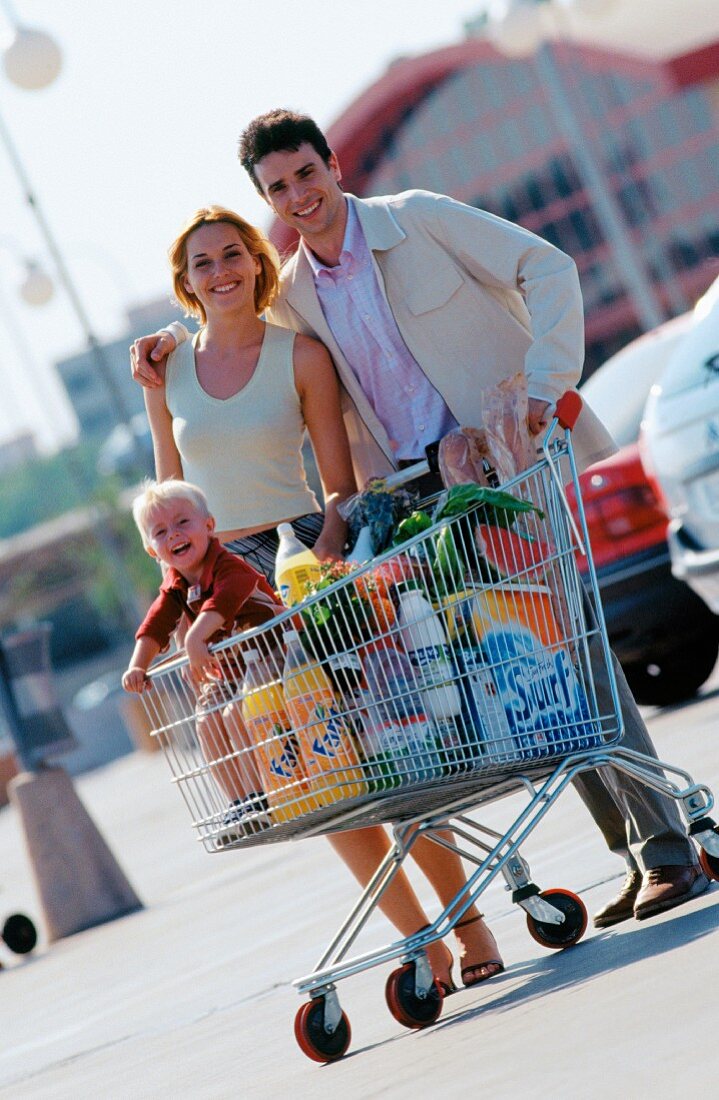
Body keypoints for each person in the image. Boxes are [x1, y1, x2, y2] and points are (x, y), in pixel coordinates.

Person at [131, 110, 709, 929]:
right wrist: (167, 338)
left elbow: (545, 269)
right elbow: (234, 335)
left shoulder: (418, 219)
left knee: (570, 641)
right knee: (524, 665)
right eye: (278, 188)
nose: (299, 196)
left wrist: (544, 388)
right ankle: (631, 855)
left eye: (306, 173)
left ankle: (665, 852)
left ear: (332, 164)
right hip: (414, 502)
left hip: (509, 464)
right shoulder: (293, 294)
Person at [131, 203, 503, 991]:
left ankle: (467, 926)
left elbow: (338, 486)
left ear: (257, 264)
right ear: (184, 282)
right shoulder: (164, 372)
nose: (221, 270)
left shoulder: (299, 355)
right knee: (313, 776)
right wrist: (178, 603)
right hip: (219, 582)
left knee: (379, 757)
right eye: (203, 262)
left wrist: (326, 558)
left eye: (233, 254)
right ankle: (420, 944)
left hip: (298, 565)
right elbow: (167, 496)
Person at [123, 478, 283, 825]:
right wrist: (138, 664)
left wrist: (195, 638)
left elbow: (222, 601)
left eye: (183, 522)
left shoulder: (230, 566)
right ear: (153, 551)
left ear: (209, 527)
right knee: (207, 721)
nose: (174, 535)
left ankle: (263, 797)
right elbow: (155, 624)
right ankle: (242, 801)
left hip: (276, 653)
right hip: (231, 669)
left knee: (235, 713)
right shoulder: (175, 585)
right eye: (160, 532)